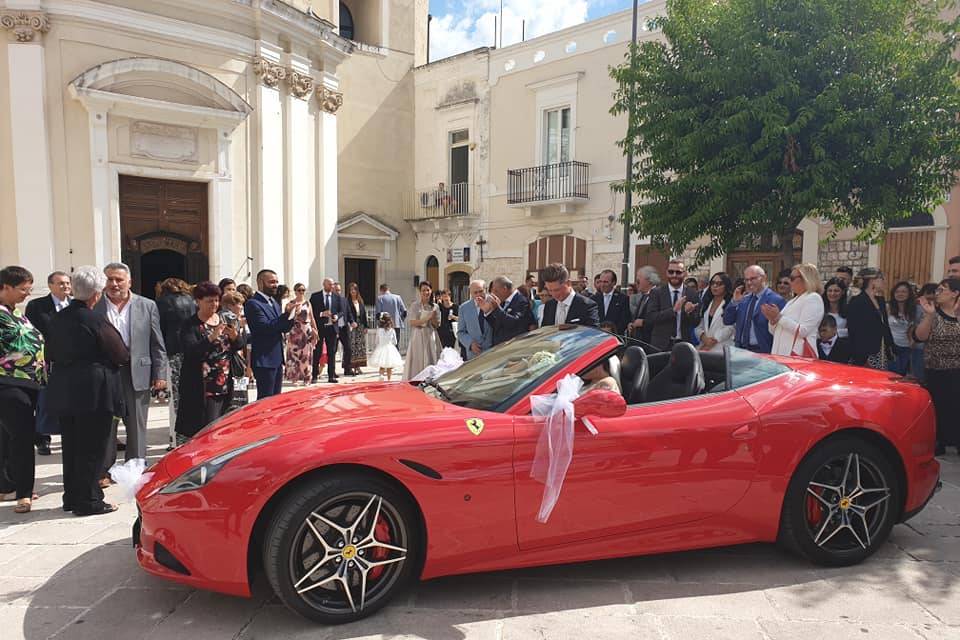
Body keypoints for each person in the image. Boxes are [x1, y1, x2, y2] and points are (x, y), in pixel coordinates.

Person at [45, 265, 128, 516]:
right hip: (93, 390)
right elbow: (120, 352)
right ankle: (89, 499)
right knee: (93, 447)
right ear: (96, 294)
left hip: (65, 387)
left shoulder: (58, 317)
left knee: (72, 446)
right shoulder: (93, 318)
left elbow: (49, 352)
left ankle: (72, 495)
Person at [95, 262, 167, 470]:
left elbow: (157, 342)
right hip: (106, 372)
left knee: (136, 423)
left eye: (119, 279)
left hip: (137, 370)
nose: (114, 284)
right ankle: (105, 469)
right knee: (107, 422)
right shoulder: (95, 304)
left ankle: (134, 466)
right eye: (110, 279)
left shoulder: (147, 305)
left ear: (129, 281)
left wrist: (160, 372)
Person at [175, 282, 246, 445]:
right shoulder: (190, 324)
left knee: (223, 424)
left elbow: (238, 346)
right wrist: (210, 338)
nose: (214, 304)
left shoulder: (225, 319)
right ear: (198, 301)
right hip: (201, 385)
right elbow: (191, 351)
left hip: (225, 382)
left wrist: (235, 337)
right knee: (203, 426)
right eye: (209, 301)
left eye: (216, 300)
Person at [0, 266, 44, 513]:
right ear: (6, 286)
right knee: (23, 437)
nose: (27, 294)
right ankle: (24, 493)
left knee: (8, 436)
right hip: (8, 382)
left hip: (26, 382)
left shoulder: (15, 312)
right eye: (23, 289)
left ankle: (6, 485)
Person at [24, 270, 72, 456]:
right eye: (61, 283)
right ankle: (42, 438)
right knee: (43, 402)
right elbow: (30, 334)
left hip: (68, 361)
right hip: (44, 361)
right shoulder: (37, 306)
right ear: (51, 285)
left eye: (67, 283)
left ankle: (67, 434)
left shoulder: (74, 305)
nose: (65, 287)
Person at [914, 278, 960, 455]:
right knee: (937, 408)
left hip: (957, 370)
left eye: (942, 290)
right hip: (936, 370)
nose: (937, 293)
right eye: (937, 290)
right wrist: (929, 315)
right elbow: (920, 337)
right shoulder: (932, 313)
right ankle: (938, 441)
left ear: (955, 293)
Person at [155, 277, 197, 450]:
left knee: (174, 397)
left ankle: (174, 438)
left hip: (172, 352)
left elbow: (159, 330)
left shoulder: (161, 303)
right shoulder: (191, 301)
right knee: (188, 395)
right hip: (190, 351)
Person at [244, 269, 296, 399]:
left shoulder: (274, 302)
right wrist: (285, 315)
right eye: (271, 282)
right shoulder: (253, 304)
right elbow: (265, 328)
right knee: (265, 399)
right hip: (264, 359)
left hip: (277, 358)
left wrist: (291, 316)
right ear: (261, 283)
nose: (275, 285)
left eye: (277, 282)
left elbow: (282, 328)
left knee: (276, 400)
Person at [723, 265, 786, 354]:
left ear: (763, 278)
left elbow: (781, 331)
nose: (749, 283)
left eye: (753, 279)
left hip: (762, 352)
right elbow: (727, 320)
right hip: (740, 351)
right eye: (746, 280)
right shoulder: (743, 299)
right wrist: (734, 302)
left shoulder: (776, 300)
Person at [766, 264, 824, 358]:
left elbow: (803, 331)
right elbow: (774, 332)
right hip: (780, 354)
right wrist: (772, 320)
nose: (789, 281)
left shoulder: (813, 298)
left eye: (792, 278)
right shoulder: (792, 301)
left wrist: (779, 317)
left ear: (806, 279)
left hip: (797, 356)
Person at [645, 259, 701, 351]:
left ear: (684, 274)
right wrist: (673, 310)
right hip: (660, 345)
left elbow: (696, 322)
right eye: (671, 272)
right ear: (667, 273)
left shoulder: (692, 294)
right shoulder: (657, 292)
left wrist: (689, 313)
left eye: (678, 272)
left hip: (683, 344)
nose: (674, 275)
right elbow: (650, 318)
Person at [846, 268, 895, 369]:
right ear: (872, 280)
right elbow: (854, 330)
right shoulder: (856, 301)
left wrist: (890, 346)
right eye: (881, 278)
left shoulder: (881, 301)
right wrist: (858, 355)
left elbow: (885, 326)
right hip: (864, 353)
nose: (884, 282)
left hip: (881, 351)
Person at [309, 278, 352, 383]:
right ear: (324, 284)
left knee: (332, 352)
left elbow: (342, 311)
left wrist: (337, 316)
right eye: (330, 284)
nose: (332, 286)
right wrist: (321, 314)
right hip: (319, 328)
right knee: (317, 352)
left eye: (333, 284)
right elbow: (310, 311)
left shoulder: (336, 297)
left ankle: (331, 376)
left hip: (332, 328)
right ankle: (314, 375)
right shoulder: (315, 296)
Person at [539, 264, 599, 328]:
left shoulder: (587, 305)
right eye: (550, 290)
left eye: (557, 290)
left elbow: (593, 334)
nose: (554, 294)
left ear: (568, 283)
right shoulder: (549, 305)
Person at [403, 281, 441, 380]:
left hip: (430, 335)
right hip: (418, 336)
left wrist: (432, 318)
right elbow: (412, 322)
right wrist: (425, 319)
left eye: (428, 290)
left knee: (431, 358)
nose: (426, 292)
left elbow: (437, 325)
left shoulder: (435, 306)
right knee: (418, 359)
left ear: (431, 291)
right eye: (423, 290)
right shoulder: (415, 305)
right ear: (420, 292)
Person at [481, 275, 537, 342]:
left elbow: (514, 323)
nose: (494, 294)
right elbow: (497, 325)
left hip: (514, 345)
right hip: (500, 346)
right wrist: (487, 312)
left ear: (504, 289)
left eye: (496, 291)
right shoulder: (502, 301)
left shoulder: (521, 301)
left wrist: (497, 309)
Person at [220, 291, 250, 411]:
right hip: (233, 360)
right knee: (238, 396)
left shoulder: (220, 315)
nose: (241, 307)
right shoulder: (231, 317)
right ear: (229, 305)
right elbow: (238, 342)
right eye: (238, 304)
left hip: (228, 359)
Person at [284, 283, 318, 385]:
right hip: (295, 331)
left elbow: (311, 318)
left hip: (306, 330)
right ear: (295, 291)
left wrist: (315, 330)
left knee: (306, 354)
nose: (301, 292)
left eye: (303, 290)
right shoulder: (290, 303)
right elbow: (287, 318)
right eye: (299, 290)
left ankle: (307, 377)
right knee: (293, 355)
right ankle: (294, 377)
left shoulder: (307, 303)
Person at [696, 272, 735, 353]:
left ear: (726, 286)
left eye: (719, 284)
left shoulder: (732, 303)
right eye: (712, 283)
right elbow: (699, 324)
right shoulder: (706, 302)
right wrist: (703, 337)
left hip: (722, 348)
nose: (715, 286)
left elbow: (731, 327)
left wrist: (713, 340)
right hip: (703, 347)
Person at [887, 281, 917, 375]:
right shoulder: (888, 307)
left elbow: (914, 328)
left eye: (904, 292)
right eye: (897, 292)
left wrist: (912, 342)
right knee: (893, 373)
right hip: (892, 346)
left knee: (902, 374)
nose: (900, 294)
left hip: (907, 347)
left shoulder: (914, 309)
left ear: (909, 294)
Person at [457, 280, 493, 360]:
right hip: (473, 355)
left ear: (486, 290)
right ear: (471, 293)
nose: (478, 295)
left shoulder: (493, 303)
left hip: (492, 353)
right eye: (475, 293)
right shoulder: (464, 308)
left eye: (481, 291)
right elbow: (461, 332)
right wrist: (470, 343)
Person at [593, 269, 631, 335]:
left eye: (605, 282)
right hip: (597, 337)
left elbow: (624, 320)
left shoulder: (623, 299)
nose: (602, 285)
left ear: (614, 283)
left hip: (615, 337)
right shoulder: (594, 299)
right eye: (600, 281)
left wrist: (613, 332)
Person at [629, 266, 660, 345]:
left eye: (638, 280)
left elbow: (661, 317)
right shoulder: (643, 296)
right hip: (639, 342)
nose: (636, 283)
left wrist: (644, 322)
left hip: (651, 343)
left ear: (649, 281)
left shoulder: (659, 295)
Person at [369, 313, 404, 381]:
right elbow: (395, 342)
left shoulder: (379, 330)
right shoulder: (392, 330)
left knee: (382, 365)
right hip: (390, 348)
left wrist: (379, 345)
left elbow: (376, 341)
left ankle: (381, 375)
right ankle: (389, 379)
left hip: (381, 347)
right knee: (389, 366)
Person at [346, 282, 368, 374]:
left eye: (354, 289)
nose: (353, 291)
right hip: (352, 325)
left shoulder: (360, 301)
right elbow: (347, 313)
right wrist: (351, 322)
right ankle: (351, 366)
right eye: (351, 290)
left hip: (360, 325)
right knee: (352, 346)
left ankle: (358, 366)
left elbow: (364, 314)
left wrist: (366, 326)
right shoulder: (347, 301)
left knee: (360, 346)